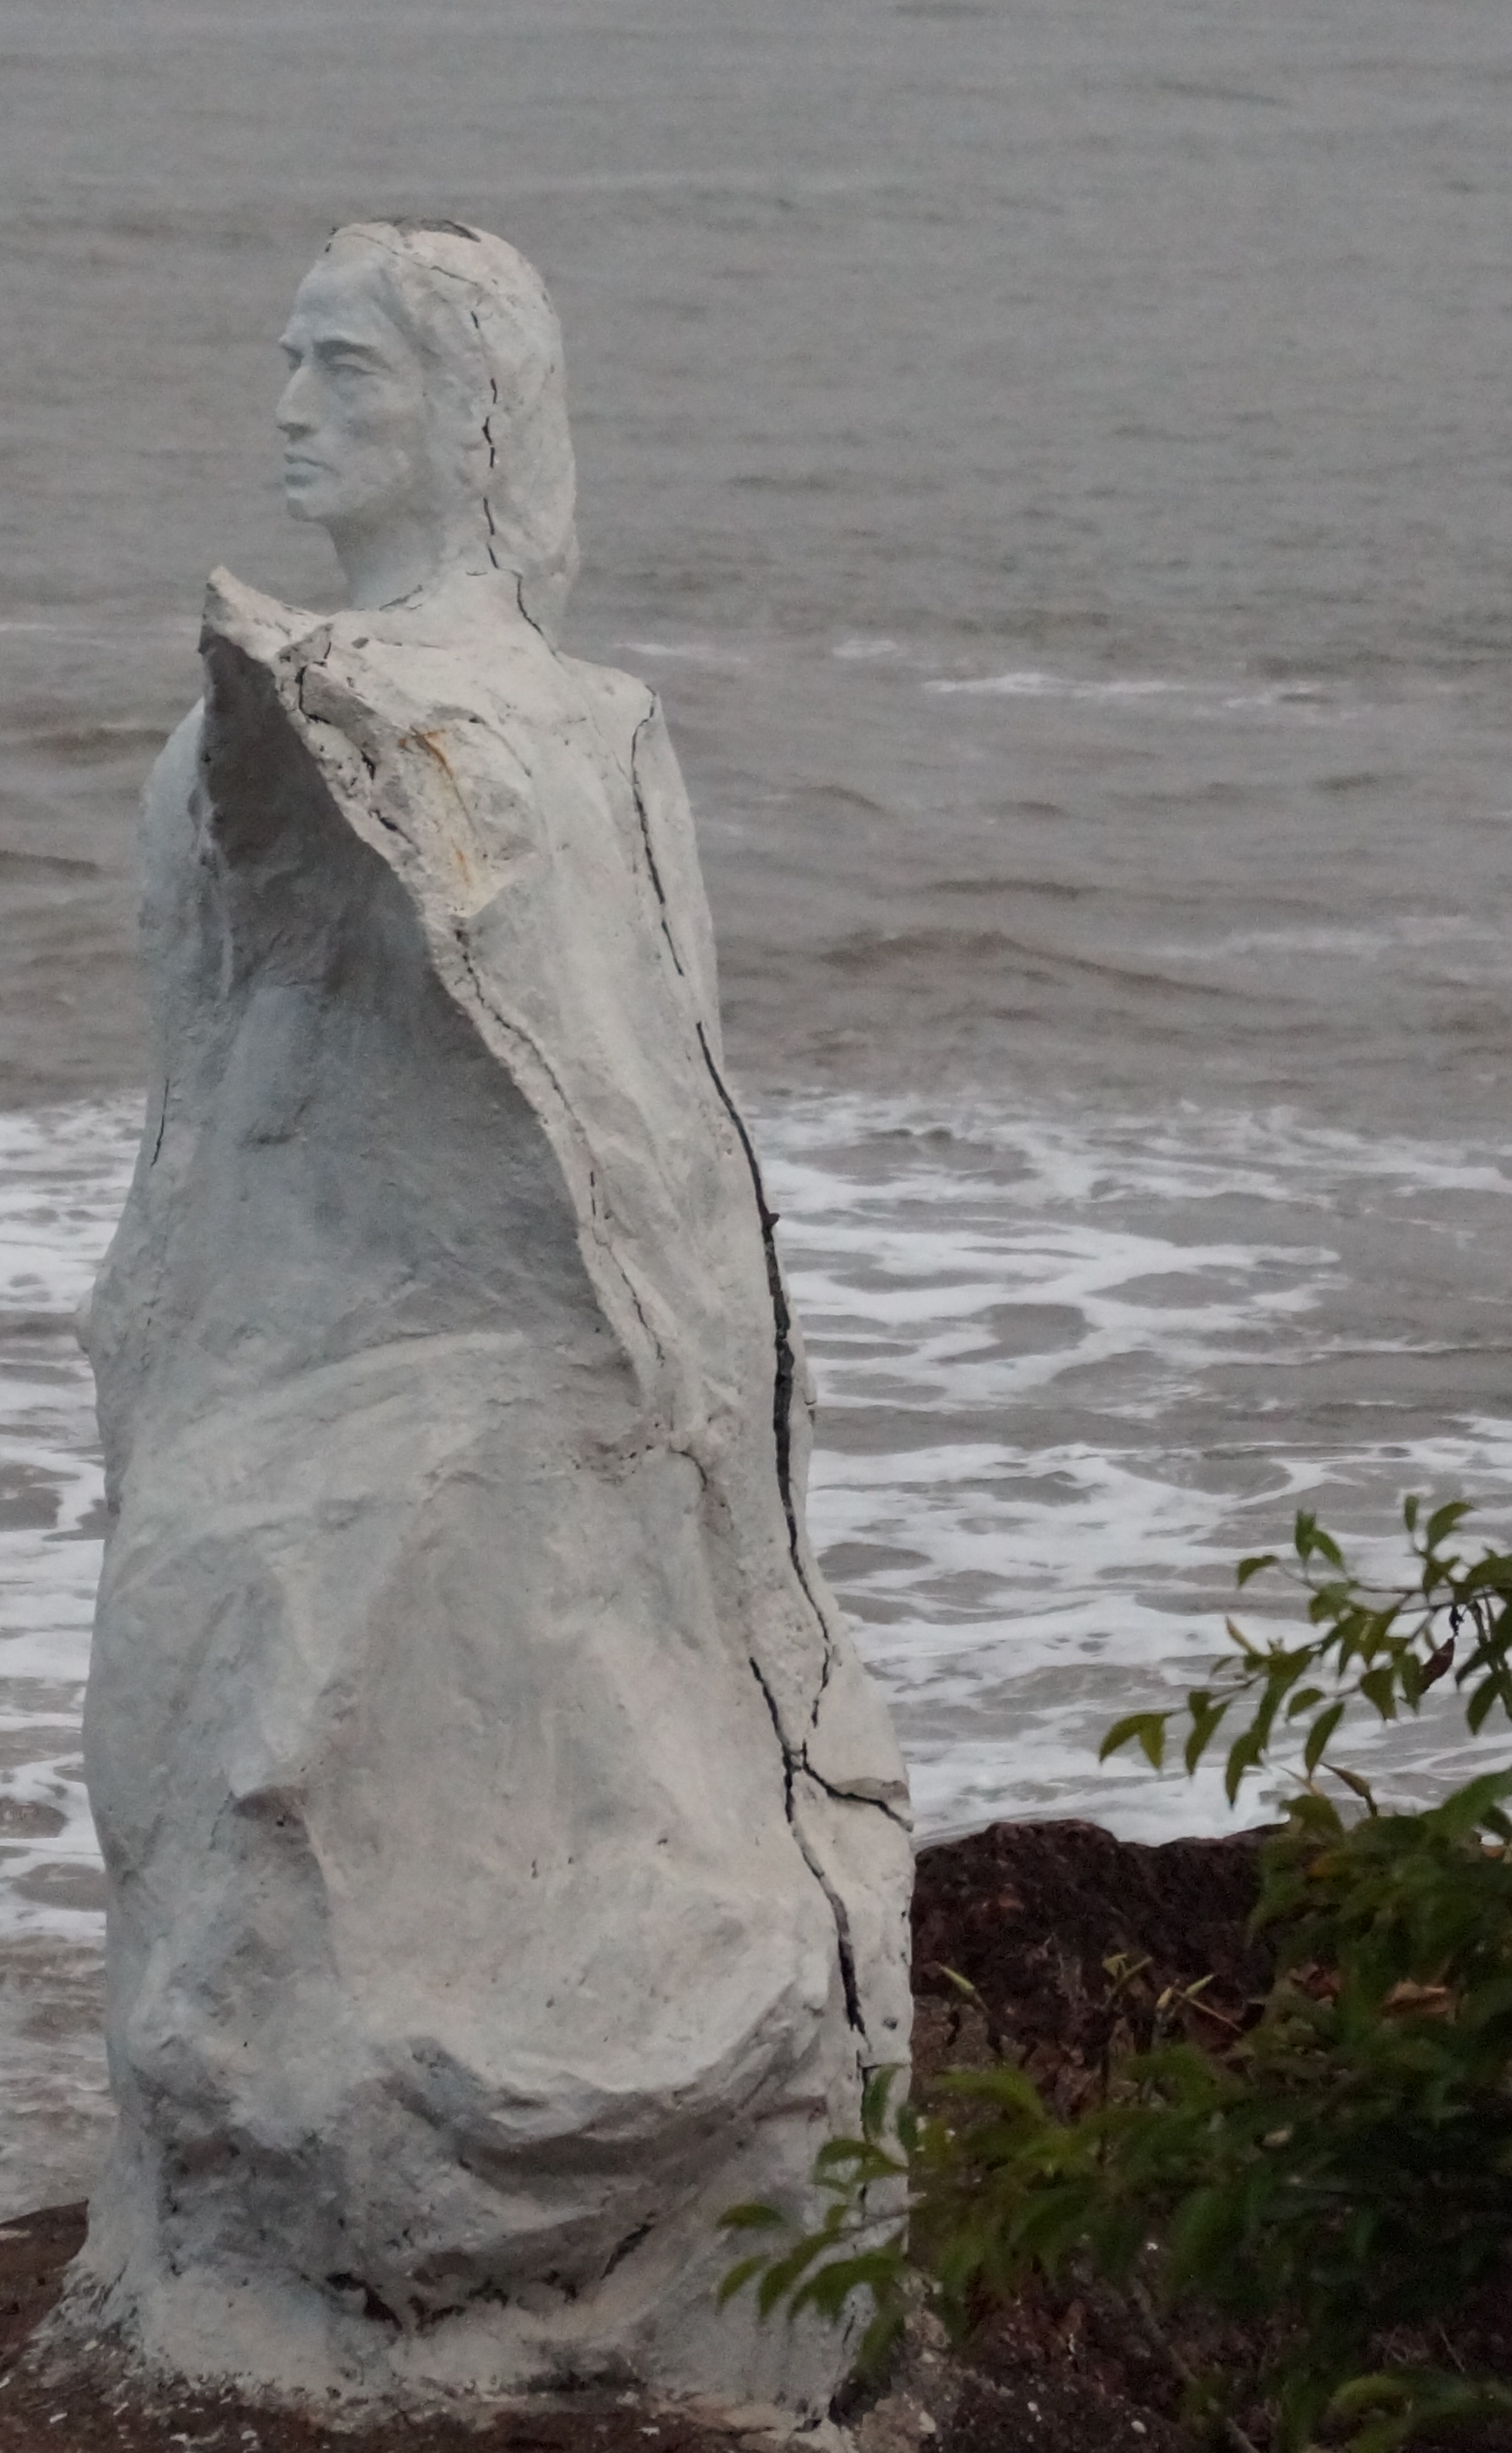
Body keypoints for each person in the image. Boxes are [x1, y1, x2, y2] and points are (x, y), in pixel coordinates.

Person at [59, 223, 909, 2418]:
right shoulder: (326, 709)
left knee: (389, 1822)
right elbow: (213, 1091)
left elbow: (654, 1103)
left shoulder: (481, 724)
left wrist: (724, 1442)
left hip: (473, 1408)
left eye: (342, 366)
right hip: (295, 1365)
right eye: (283, 360)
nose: (288, 408)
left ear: (472, 414)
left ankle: (452, 2271)